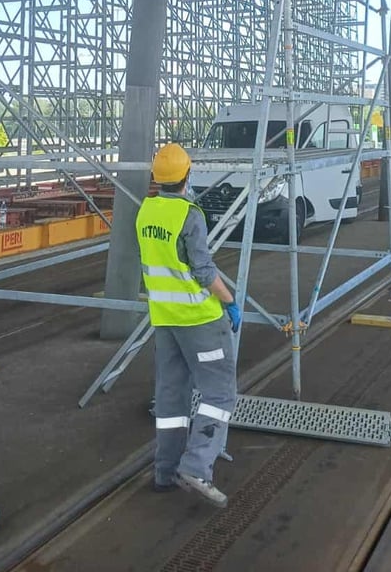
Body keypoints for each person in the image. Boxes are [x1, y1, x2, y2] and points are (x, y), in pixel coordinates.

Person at [136, 142, 240, 508]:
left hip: (164, 321)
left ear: (156, 177)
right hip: (199, 320)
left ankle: (166, 471)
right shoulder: (189, 215)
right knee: (219, 395)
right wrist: (230, 300)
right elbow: (203, 271)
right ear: (187, 175)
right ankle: (196, 467)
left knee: (171, 396)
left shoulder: (146, 212)